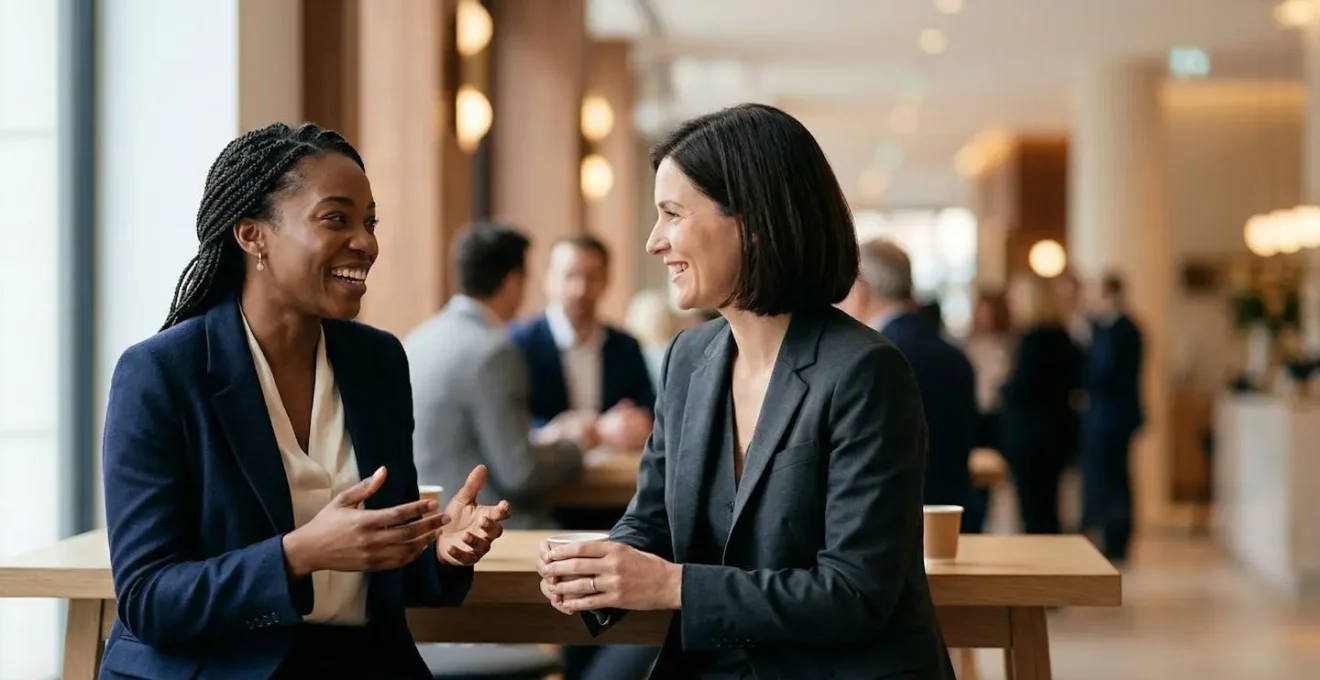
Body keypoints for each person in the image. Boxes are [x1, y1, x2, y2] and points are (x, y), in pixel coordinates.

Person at [537, 103, 954, 679]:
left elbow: (855, 593)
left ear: (754, 222)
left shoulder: (866, 372)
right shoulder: (688, 359)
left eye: (672, 214)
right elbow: (653, 518)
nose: (655, 241)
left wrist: (672, 584)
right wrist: (596, 569)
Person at [100, 123, 511, 680]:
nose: (366, 242)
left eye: (368, 223)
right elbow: (149, 598)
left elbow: (384, 566)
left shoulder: (378, 362)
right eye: (336, 219)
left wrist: (440, 551)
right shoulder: (161, 374)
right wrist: (298, 554)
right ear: (252, 236)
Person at [405, 223, 597, 529]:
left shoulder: (417, 339)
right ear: (513, 282)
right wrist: (579, 445)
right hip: (479, 523)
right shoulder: (495, 351)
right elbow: (520, 472)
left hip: (423, 519)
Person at [859, 239, 978, 530]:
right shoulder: (953, 353)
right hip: (954, 514)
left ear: (861, 289)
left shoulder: (875, 357)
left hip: (896, 526)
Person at [509, 235, 655, 450]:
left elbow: (648, 408)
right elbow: (509, 420)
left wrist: (636, 421)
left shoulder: (626, 346)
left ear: (606, 281)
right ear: (548, 280)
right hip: (546, 473)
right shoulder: (519, 343)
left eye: (591, 277)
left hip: (613, 471)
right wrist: (559, 429)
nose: (580, 289)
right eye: (569, 276)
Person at [1000, 274, 1083, 536]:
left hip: (1030, 436)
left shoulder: (1033, 339)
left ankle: (1038, 565)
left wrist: (1001, 385)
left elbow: (1021, 387)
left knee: (1033, 508)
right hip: (1058, 432)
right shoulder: (1065, 338)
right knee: (1049, 505)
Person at [1080, 273, 1144, 563]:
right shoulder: (1110, 329)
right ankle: (1109, 533)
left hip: (1112, 417)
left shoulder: (1123, 330)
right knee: (1108, 478)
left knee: (1114, 479)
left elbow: (1107, 372)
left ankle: (1117, 538)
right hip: (1107, 416)